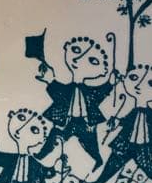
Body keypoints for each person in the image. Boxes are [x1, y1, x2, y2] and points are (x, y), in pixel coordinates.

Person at [36, 36, 113, 169]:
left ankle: (98, 160)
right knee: (54, 134)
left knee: (91, 144)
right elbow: (58, 94)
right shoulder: (66, 90)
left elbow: (102, 92)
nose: (78, 59)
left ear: (102, 71)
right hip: (67, 121)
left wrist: (111, 83)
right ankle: (41, 155)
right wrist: (49, 80)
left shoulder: (91, 92)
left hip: (85, 123)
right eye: (76, 50)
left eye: (93, 61)